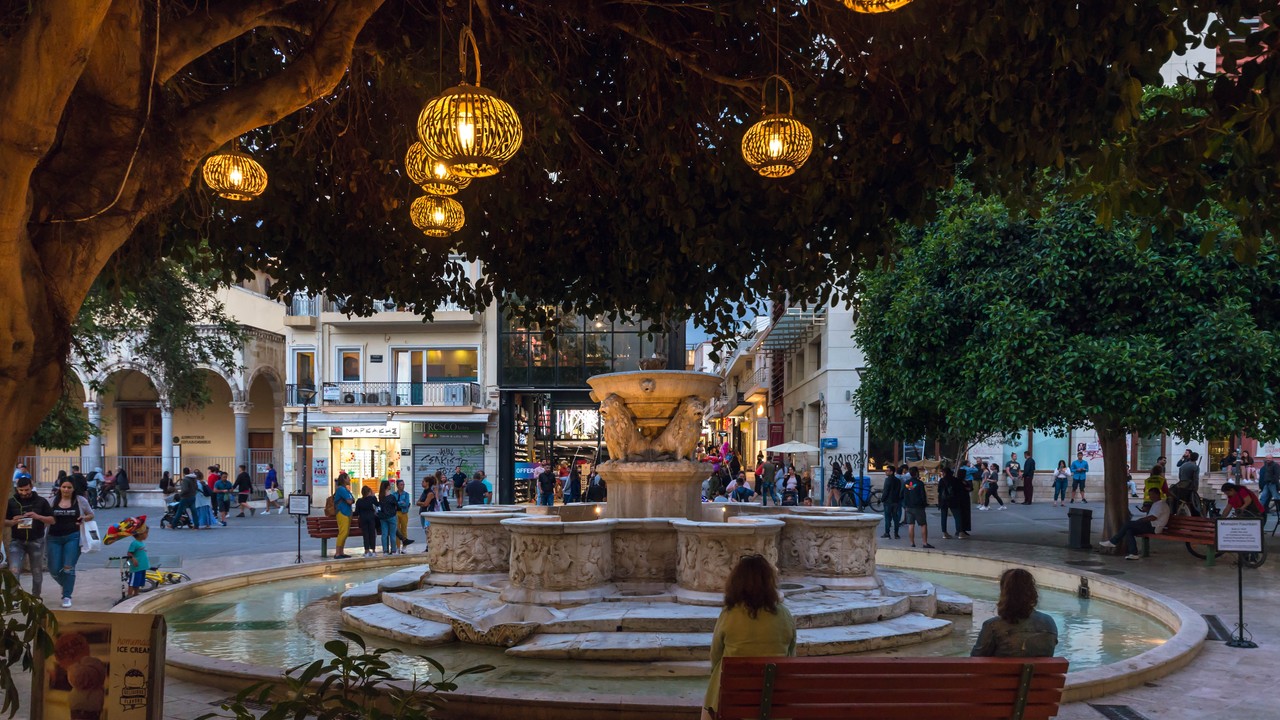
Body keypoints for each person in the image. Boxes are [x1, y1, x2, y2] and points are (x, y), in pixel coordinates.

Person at [701, 554, 796, 720]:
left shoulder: (729, 615)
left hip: (734, 699)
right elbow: (791, 655)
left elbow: (715, 655)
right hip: (775, 701)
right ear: (769, 582)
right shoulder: (784, 614)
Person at [970, 568, 1059, 657]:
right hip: (1041, 667)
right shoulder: (1049, 622)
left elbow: (976, 659)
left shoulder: (992, 626)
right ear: (1032, 591)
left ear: (1004, 594)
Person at [46, 479, 94, 608]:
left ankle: (67, 596)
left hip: (73, 537)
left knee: (69, 568)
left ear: (73, 489)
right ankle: (65, 584)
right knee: (54, 569)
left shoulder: (80, 500)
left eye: (69, 487)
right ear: (60, 488)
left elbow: (91, 514)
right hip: (53, 538)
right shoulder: (52, 501)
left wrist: (84, 517)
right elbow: (45, 516)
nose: (66, 490)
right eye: (64, 487)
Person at [5, 476, 53, 597]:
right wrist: (12, 521)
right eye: (21, 490)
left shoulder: (41, 501)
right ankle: (14, 598)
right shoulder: (11, 502)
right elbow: (4, 521)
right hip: (17, 541)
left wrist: (38, 517)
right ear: (17, 489)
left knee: (36, 571)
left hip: (36, 541)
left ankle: (36, 597)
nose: (24, 493)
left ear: (31, 487)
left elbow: (52, 520)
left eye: (26, 490)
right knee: (14, 570)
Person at [1099, 488, 1170, 560]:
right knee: (1129, 531)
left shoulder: (1161, 505)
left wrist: (1140, 521)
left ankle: (1113, 541)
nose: (1150, 497)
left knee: (1128, 524)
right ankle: (1133, 554)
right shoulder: (1157, 504)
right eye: (1149, 495)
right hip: (1150, 525)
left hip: (1154, 527)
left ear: (1157, 494)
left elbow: (1153, 517)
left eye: (1152, 495)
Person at [105, 515, 150, 598]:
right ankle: (129, 595)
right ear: (140, 534)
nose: (147, 535)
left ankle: (136, 594)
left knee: (138, 582)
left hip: (142, 567)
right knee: (132, 582)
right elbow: (129, 553)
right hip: (136, 568)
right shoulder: (135, 543)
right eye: (146, 533)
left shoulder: (141, 543)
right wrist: (133, 559)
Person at [901, 467, 933, 549]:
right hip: (918, 507)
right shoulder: (920, 483)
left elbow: (901, 495)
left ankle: (912, 543)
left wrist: (905, 504)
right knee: (923, 525)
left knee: (911, 525)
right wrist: (925, 504)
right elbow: (923, 496)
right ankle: (925, 543)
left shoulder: (906, 483)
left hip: (908, 507)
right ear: (916, 473)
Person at [1170, 451, 1202, 516]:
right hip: (1189, 487)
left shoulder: (1183, 465)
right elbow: (1196, 479)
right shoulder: (1195, 467)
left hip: (1180, 486)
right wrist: (1195, 489)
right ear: (1196, 458)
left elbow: (1180, 476)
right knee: (1191, 502)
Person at [938, 467, 966, 539]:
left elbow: (939, 491)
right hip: (953, 500)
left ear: (945, 473)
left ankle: (944, 533)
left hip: (943, 501)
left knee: (943, 517)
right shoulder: (955, 480)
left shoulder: (941, 480)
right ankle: (960, 533)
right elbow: (959, 490)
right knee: (957, 516)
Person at [333, 473, 355, 559]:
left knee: (345, 533)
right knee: (343, 532)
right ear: (344, 479)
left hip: (347, 513)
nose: (349, 479)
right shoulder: (341, 489)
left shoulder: (346, 489)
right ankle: (337, 553)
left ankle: (341, 552)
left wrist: (351, 500)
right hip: (342, 512)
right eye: (348, 478)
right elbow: (350, 501)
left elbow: (352, 499)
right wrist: (351, 500)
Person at [376, 481, 399, 555]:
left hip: (383, 517)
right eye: (389, 485)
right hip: (391, 516)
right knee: (392, 534)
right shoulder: (392, 497)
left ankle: (385, 551)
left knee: (384, 534)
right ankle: (393, 550)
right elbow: (396, 506)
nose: (390, 486)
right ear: (387, 487)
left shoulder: (381, 496)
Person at [881, 465, 902, 539]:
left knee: (887, 518)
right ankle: (896, 533)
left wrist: (882, 499)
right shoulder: (898, 480)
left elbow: (886, 491)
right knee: (895, 517)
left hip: (888, 501)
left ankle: (887, 533)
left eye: (887, 470)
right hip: (896, 501)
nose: (886, 472)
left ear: (891, 472)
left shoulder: (888, 480)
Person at [393, 479, 414, 551]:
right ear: (397, 486)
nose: (403, 486)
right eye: (401, 484)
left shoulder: (406, 494)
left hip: (404, 513)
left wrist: (398, 503)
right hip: (396, 513)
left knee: (404, 530)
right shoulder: (394, 494)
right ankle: (398, 547)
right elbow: (394, 504)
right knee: (397, 530)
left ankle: (404, 547)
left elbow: (406, 504)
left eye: (403, 484)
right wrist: (401, 502)